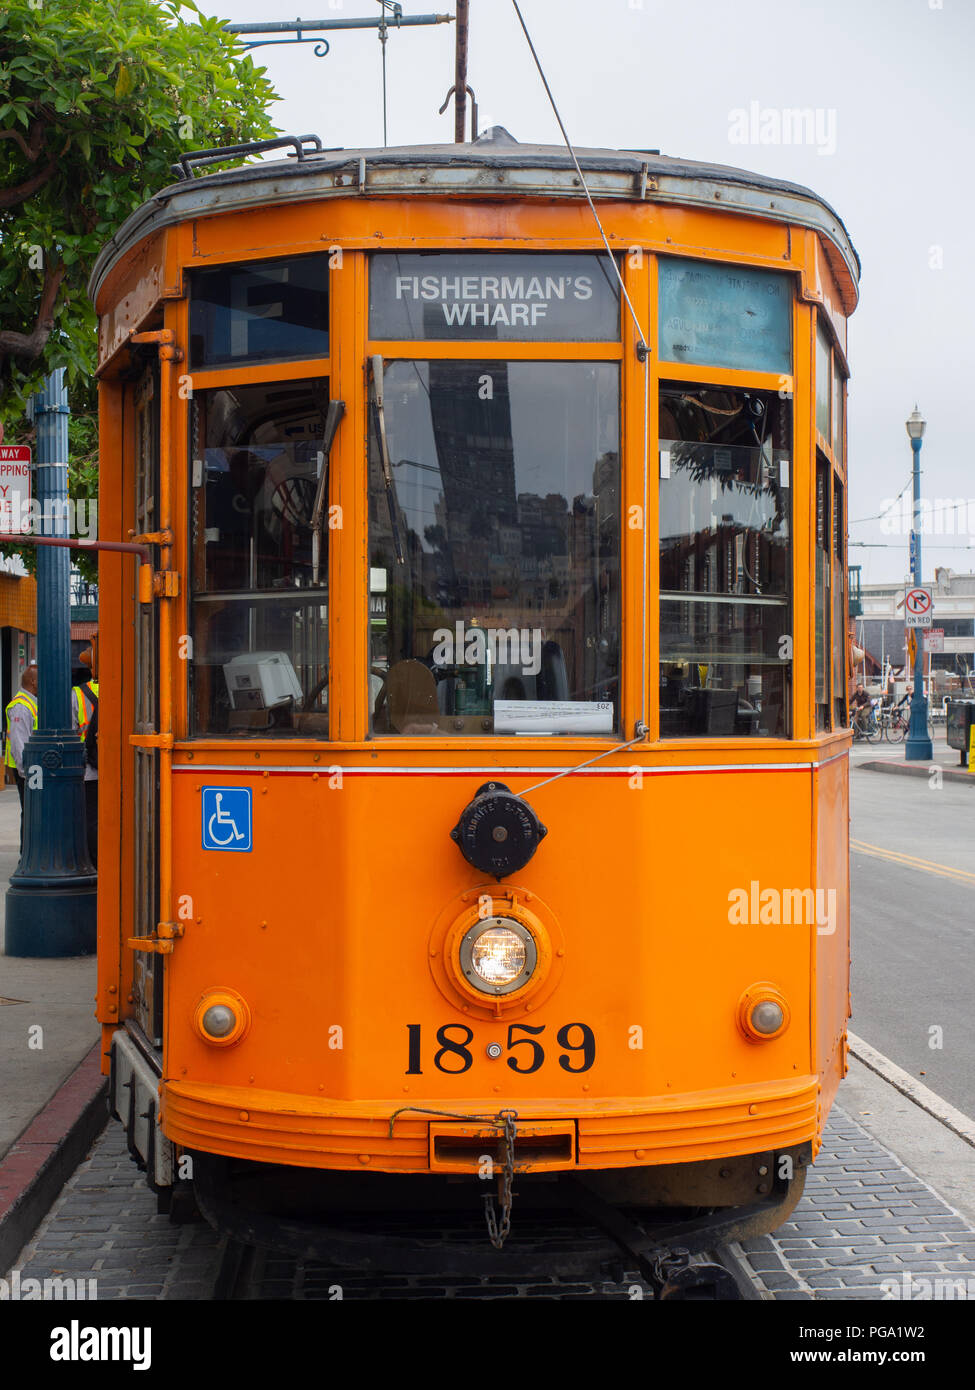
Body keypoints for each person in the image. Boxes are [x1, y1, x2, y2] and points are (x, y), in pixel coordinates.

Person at [5, 664, 38, 850]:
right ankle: (26, 853)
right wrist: (26, 772)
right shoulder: (21, 707)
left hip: (30, 769)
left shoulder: (31, 703)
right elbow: (19, 744)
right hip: (25, 771)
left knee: (32, 812)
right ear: (32, 681)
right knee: (30, 813)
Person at [71, 640, 99, 863]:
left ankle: (93, 860)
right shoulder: (124, 687)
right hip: (119, 766)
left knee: (91, 819)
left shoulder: (78, 694)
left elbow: (71, 730)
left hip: (90, 766)